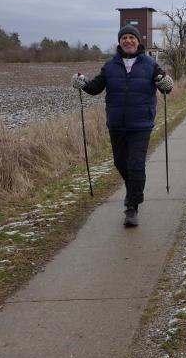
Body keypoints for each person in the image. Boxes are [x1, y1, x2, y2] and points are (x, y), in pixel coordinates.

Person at [72, 24, 174, 227]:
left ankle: (132, 206)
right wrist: (81, 83)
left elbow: (164, 87)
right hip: (117, 124)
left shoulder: (150, 64)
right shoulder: (110, 65)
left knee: (135, 165)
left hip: (141, 124)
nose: (128, 41)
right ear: (119, 42)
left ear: (138, 41)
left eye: (131, 37)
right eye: (124, 38)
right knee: (120, 163)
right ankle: (133, 188)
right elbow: (95, 88)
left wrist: (167, 84)